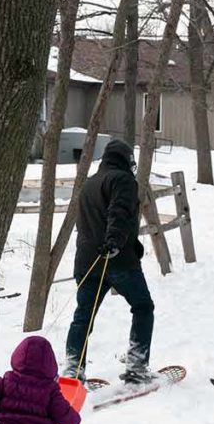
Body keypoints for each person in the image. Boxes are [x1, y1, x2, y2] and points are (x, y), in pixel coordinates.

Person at [64, 138, 155, 384]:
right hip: (117, 260)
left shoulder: (89, 183)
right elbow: (120, 211)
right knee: (143, 307)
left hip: (86, 262)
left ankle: (73, 371)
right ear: (125, 160)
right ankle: (137, 366)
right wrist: (114, 241)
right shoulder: (123, 180)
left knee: (83, 316)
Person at [0, 336, 82, 424]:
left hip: (1, 423)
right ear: (49, 363)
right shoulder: (50, 389)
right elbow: (62, 411)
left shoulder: (6, 380)